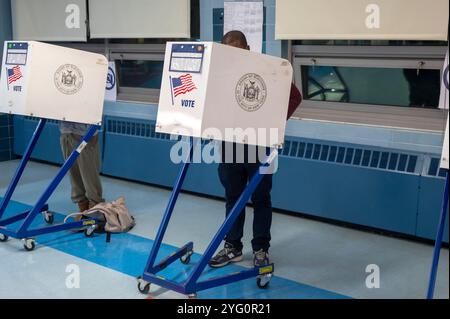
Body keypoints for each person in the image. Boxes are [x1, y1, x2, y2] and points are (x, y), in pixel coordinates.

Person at [209, 31, 302, 268]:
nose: (235, 55)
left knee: (261, 198)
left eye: (239, 49)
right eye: (229, 51)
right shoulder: (220, 74)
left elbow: (295, 96)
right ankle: (233, 247)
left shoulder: (266, 69)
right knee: (233, 198)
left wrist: (274, 122)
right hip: (230, 145)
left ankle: (261, 249)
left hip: (259, 144)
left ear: (248, 48)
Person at [59, 122, 104, 220]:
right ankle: (82, 208)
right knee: (73, 172)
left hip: (85, 133)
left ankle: (94, 210)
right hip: (66, 130)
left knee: (89, 174)